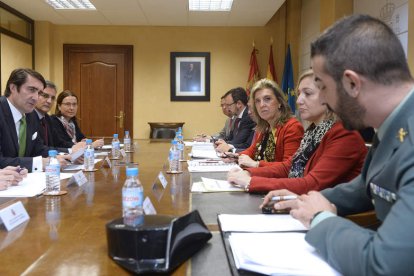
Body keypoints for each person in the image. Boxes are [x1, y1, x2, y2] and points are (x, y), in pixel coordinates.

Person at [263, 15, 414, 275]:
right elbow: (365, 187)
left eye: (321, 87)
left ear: (352, 83)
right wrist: (304, 199)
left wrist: (320, 218)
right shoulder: (391, 125)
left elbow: (384, 266)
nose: (320, 98)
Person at [227, 69, 367, 194]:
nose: (299, 100)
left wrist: (251, 181)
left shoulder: (344, 134)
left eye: (307, 93)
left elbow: (312, 183)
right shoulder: (313, 132)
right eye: (299, 94)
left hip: (335, 215)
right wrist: (249, 173)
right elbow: (288, 167)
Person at [0, 68, 71, 172]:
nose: (36, 97)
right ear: (13, 88)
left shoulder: (31, 115)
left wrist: (65, 154)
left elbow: (38, 149)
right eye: (31, 90)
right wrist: (38, 163)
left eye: (39, 93)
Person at [225, 79, 304, 168]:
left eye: (267, 99)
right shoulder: (264, 126)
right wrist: (236, 157)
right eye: (257, 101)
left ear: (279, 102)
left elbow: (289, 168)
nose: (262, 105)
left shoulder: (292, 127)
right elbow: (252, 151)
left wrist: (256, 164)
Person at [34, 81, 85, 152]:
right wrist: (73, 149)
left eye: (52, 98)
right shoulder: (28, 117)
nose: (49, 101)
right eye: (45, 96)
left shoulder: (47, 118)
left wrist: (81, 144)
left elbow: (57, 142)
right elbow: (39, 149)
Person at [215, 87, 256, 152]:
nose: (226, 108)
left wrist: (228, 147)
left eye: (228, 105)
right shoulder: (236, 118)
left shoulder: (249, 117)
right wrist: (220, 143)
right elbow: (230, 138)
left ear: (239, 104)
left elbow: (241, 143)